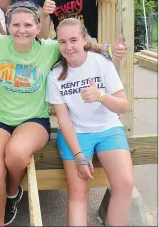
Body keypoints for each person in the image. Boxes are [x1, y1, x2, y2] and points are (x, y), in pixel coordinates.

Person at [0, 1, 126, 226]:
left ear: (38, 27)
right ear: (8, 27)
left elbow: (78, 45)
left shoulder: (50, 48)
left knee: (16, 153)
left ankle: (12, 192)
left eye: (28, 24)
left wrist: (107, 50)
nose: (22, 29)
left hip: (33, 119)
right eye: (16, 24)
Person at [46, 18, 133, 226]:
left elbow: (123, 105)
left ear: (85, 39)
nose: (68, 47)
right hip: (76, 134)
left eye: (74, 40)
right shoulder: (56, 75)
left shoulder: (101, 62)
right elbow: (63, 119)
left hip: (108, 129)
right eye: (63, 41)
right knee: (78, 193)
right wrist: (79, 156)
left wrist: (100, 96)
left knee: (125, 184)